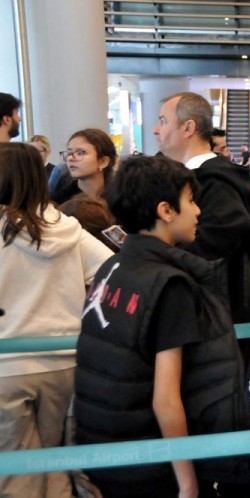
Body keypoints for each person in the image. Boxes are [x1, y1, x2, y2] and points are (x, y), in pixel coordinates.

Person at [74, 155, 250, 498]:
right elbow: (165, 399)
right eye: (190, 201)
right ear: (166, 211)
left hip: (106, 449)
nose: (199, 212)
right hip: (150, 462)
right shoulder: (170, 286)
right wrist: (187, 482)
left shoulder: (113, 266)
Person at [0, 143, 112, 497]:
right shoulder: (69, 228)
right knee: (57, 460)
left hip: (7, 366)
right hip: (66, 361)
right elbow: (111, 271)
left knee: (16, 467)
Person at [154, 91, 250, 322]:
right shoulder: (195, 176)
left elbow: (214, 245)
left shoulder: (215, 181)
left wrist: (158, 258)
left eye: (163, 121)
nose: (156, 129)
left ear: (188, 128)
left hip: (213, 315)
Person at [51, 128, 117, 205]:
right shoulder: (60, 201)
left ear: (103, 162)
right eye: (69, 153)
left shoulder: (120, 199)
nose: (70, 158)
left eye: (80, 153)